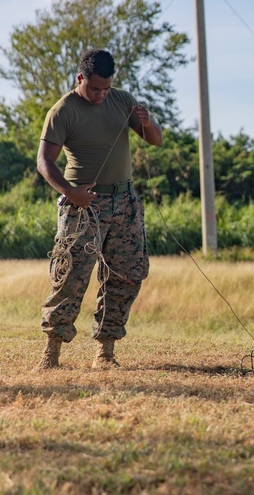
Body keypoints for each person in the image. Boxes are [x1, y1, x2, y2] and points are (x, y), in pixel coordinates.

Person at [35, 48, 162, 370]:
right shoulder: (63, 110)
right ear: (80, 78)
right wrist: (69, 192)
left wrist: (149, 123)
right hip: (84, 205)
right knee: (70, 277)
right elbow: (44, 162)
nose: (100, 95)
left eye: (106, 88)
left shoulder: (122, 99)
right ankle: (51, 354)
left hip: (125, 202)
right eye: (94, 89)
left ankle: (105, 352)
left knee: (126, 275)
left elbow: (154, 141)